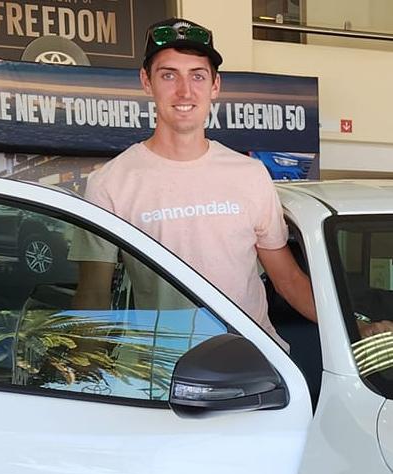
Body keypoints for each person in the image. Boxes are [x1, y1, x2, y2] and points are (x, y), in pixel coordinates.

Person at [70, 17, 319, 352]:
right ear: (146, 81)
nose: (185, 91)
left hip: (253, 364)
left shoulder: (250, 174)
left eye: (197, 76)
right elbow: (93, 293)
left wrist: (357, 329)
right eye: (169, 75)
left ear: (215, 85)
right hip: (164, 369)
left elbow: (287, 280)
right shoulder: (111, 183)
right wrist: (88, 371)